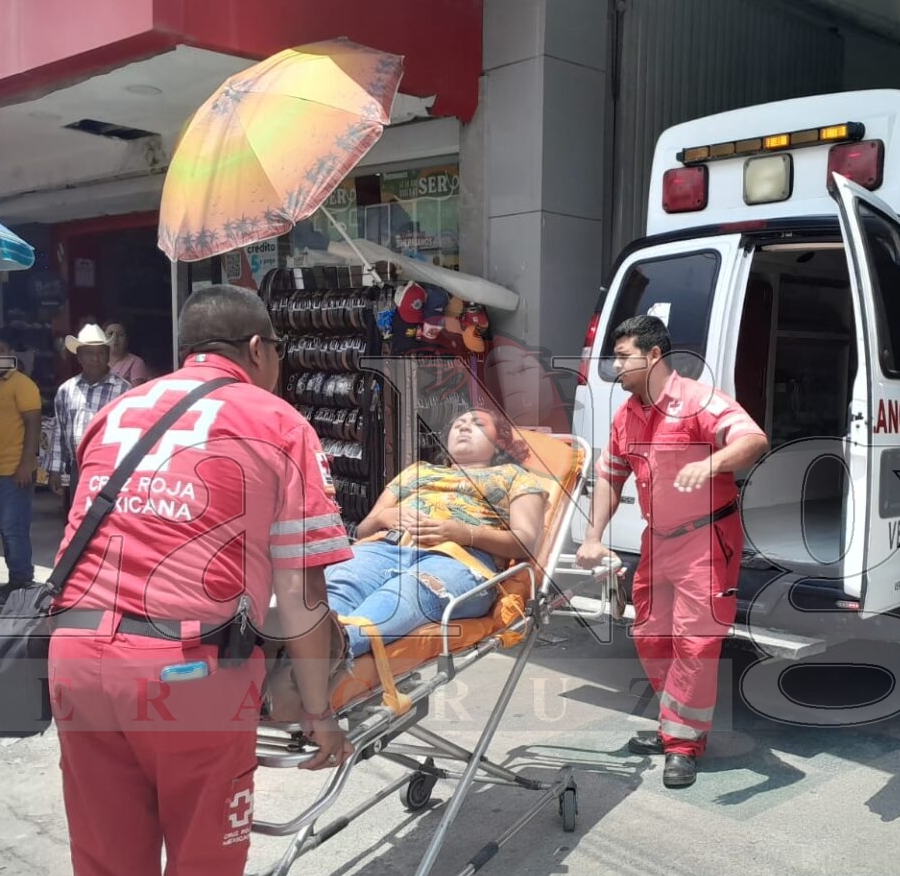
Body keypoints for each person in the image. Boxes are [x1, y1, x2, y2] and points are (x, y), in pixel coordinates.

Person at [47, 285, 354, 876]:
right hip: (184, 674)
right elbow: (303, 591)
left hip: (77, 654)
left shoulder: (117, 409)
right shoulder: (275, 420)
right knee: (200, 865)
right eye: (279, 354)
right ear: (257, 350)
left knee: (107, 858)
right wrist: (319, 710)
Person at [575, 315, 769, 789]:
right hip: (657, 540)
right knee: (649, 636)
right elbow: (609, 474)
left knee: (696, 644)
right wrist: (593, 535)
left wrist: (711, 462)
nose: (615, 367)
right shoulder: (627, 414)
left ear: (654, 355)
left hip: (706, 539)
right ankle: (674, 725)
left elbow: (753, 440)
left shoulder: (699, 401)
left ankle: (683, 744)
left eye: (622, 357)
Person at [325, 408, 547, 657]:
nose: (463, 427)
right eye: (458, 423)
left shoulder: (515, 476)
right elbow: (365, 529)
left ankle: (336, 646)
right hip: (386, 546)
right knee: (342, 582)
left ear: (501, 443)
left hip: (460, 559)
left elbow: (526, 541)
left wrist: (464, 533)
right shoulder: (417, 471)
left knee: (408, 592)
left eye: (477, 424)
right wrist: (384, 517)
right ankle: (307, 645)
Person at [0, 332, 42, 593]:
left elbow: (33, 424)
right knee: (3, 530)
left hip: (14, 471)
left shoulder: (22, 384)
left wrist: (26, 465)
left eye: (0, 350)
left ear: (11, 354)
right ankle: (14, 579)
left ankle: (22, 580)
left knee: (13, 528)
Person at [48, 324, 131, 510]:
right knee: (79, 518)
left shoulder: (124, 390)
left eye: (101, 353)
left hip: (111, 466)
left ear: (108, 355)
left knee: (108, 517)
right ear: (79, 357)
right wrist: (55, 469)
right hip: (79, 466)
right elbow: (59, 432)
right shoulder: (66, 390)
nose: (95, 358)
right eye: (89, 353)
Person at [107, 321, 154, 387]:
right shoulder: (97, 361)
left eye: (120, 334)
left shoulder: (136, 362)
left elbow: (136, 393)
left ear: (127, 340)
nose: (115, 338)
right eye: (110, 334)